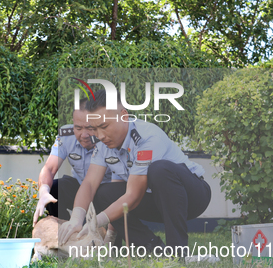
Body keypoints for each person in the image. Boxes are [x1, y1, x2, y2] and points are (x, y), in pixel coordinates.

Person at [58, 90, 212, 257]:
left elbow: (133, 195)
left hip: (192, 197)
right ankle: (153, 249)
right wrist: (76, 217)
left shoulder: (147, 137)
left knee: (159, 170)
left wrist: (97, 220)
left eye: (104, 126)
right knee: (103, 193)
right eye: (94, 128)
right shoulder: (103, 143)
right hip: (156, 201)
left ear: (124, 116)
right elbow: (89, 183)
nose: (100, 136)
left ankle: (179, 253)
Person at [33, 99, 112, 230]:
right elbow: (49, 168)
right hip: (80, 189)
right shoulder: (66, 135)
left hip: (106, 194)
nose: (84, 134)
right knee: (54, 188)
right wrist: (43, 191)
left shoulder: (110, 138)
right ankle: (64, 233)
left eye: (90, 128)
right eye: (78, 128)